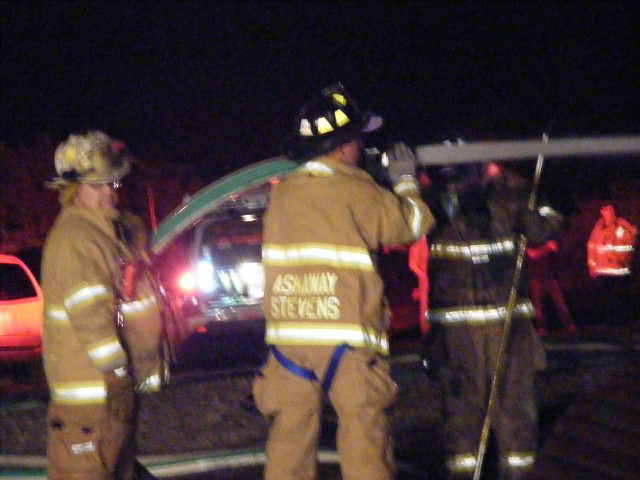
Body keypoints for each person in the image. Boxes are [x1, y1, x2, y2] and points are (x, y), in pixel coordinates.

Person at [252, 83, 435, 480]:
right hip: (346, 340)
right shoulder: (355, 189)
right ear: (340, 145)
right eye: (357, 139)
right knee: (364, 436)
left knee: (289, 440)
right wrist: (404, 181)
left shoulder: (285, 194)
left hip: (290, 342)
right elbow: (411, 224)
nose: (362, 148)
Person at [41, 131, 164, 480]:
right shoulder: (77, 240)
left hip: (105, 398)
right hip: (90, 401)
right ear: (73, 189)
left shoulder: (101, 231)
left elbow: (131, 225)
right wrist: (118, 376)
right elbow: (92, 320)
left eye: (113, 182)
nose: (110, 191)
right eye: (98, 186)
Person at [421, 160, 553, 480]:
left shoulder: (512, 197)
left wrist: (529, 210)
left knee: (516, 417)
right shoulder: (434, 205)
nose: (460, 183)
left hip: (510, 333)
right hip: (457, 338)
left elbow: (547, 224)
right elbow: (406, 219)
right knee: (461, 421)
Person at [525, 209, 576, 337]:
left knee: (559, 301)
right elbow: (531, 253)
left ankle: (569, 324)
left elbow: (558, 250)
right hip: (535, 275)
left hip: (549, 274)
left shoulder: (549, 236)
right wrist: (547, 247)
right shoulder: (531, 237)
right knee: (537, 304)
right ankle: (541, 327)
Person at [586, 201, 638, 322]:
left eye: (609, 209)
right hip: (603, 272)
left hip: (619, 271)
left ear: (614, 211)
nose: (606, 212)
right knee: (605, 298)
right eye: (604, 210)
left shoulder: (621, 225)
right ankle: (608, 321)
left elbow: (630, 240)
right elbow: (591, 247)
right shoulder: (598, 228)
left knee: (621, 297)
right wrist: (591, 267)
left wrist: (624, 259)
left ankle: (623, 321)